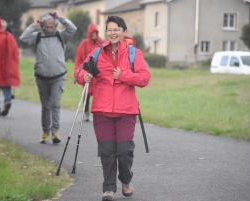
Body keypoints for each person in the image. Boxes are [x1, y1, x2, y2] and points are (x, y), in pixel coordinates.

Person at [75, 16, 151, 201]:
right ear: (106, 32)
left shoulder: (134, 53)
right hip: (102, 111)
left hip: (126, 111)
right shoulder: (97, 53)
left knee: (124, 151)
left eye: (116, 29)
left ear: (124, 32)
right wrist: (83, 75)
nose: (113, 33)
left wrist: (124, 75)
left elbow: (144, 78)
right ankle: (109, 188)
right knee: (107, 152)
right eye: (109, 30)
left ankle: (126, 180)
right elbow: (79, 70)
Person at [19, 11, 77, 144]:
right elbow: (23, 37)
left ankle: (55, 132)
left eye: (52, 26)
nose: (49, 29)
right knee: (45, 106)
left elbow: (73, 28)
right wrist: (33, 26)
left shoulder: (61, 35)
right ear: (43, 26)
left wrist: (61, 18)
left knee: (55, 104)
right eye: (47, 27)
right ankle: (45, 132)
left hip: (58, 76)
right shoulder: (37, 36)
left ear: (56, 25)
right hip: (41, 77)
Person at [74, 23, 104, 122]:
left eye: (95, 33)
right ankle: (86, 111)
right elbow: (79, 59)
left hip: (97, 73)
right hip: (87, 72)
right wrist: (78, 73)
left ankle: (97, 112)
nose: (93, 35)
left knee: (99, 93)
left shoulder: (101, 43)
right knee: (86, 93)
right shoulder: (84, 44)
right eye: (92, 33)